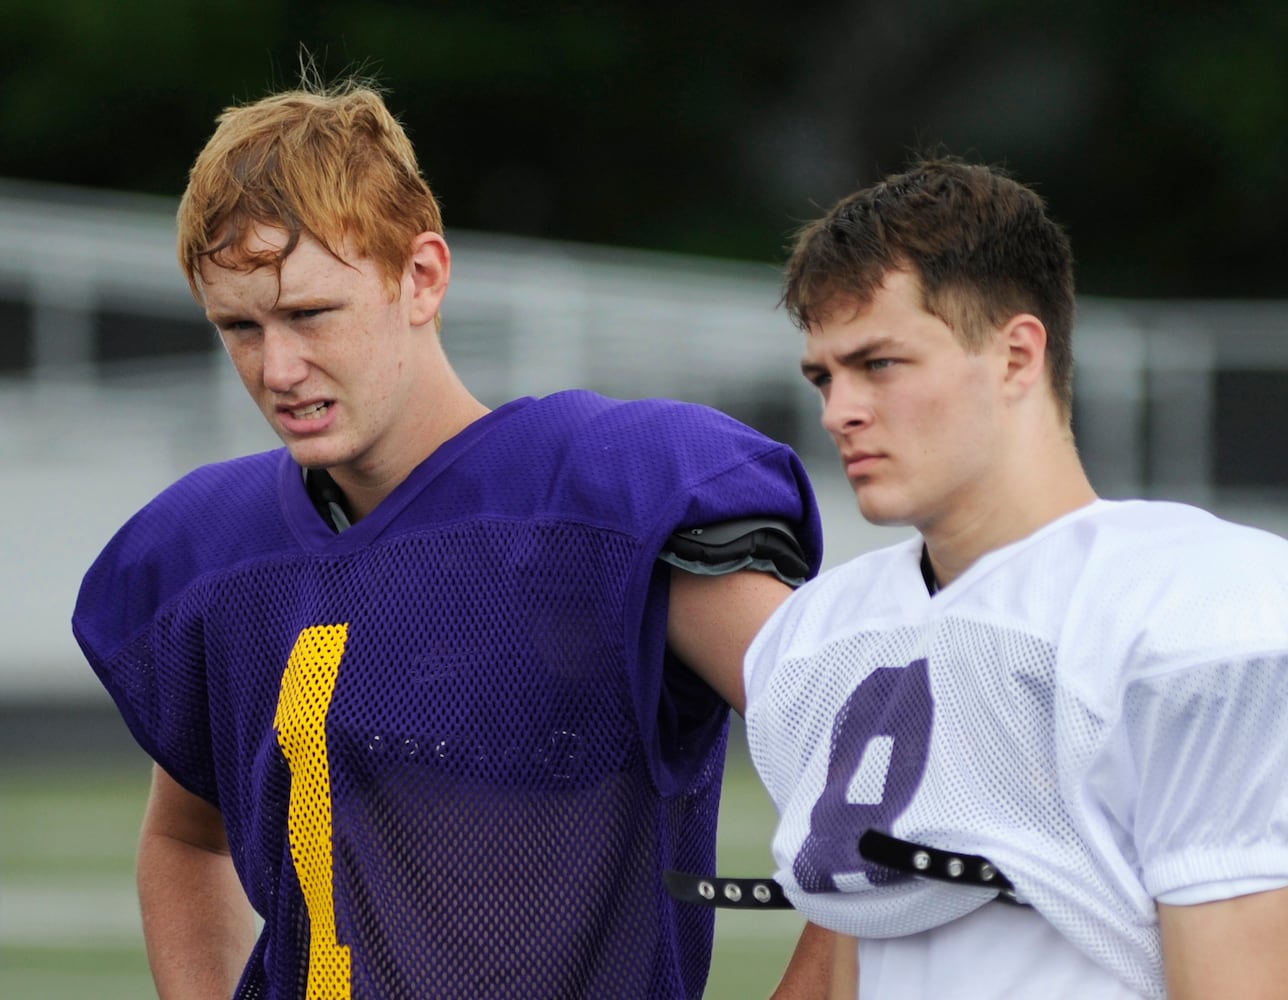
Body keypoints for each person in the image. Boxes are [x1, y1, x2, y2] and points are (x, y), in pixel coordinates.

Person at [71, 76, 832, 999]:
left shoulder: (600, 501)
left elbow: (878, 755)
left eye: (310, 313)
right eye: (240, 326)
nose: (277, 367)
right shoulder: (216, 550)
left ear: (422, 276)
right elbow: (189, 835)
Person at [741, 157, 1288, 999]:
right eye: (824, 376)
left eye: (879, 364)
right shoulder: (819, 632)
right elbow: (858, 946)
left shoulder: (1197, 608)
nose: (838, 410)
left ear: (1016, 355)